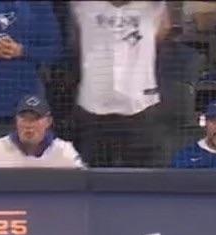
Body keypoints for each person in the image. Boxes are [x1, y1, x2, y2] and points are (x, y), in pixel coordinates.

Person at [71, 0, 168, 167]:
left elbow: (164, 28)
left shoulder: (152, 8)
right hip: (94, 105)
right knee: (93, 175)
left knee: (141, 175)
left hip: (139, 104)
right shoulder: (85, 6)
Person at [0, 95, 85, 168]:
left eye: (35, 119)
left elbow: (82, 184)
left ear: (48, 122)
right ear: (16, 120)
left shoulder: (65, 151)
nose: (29, 125)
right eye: (24, 119)